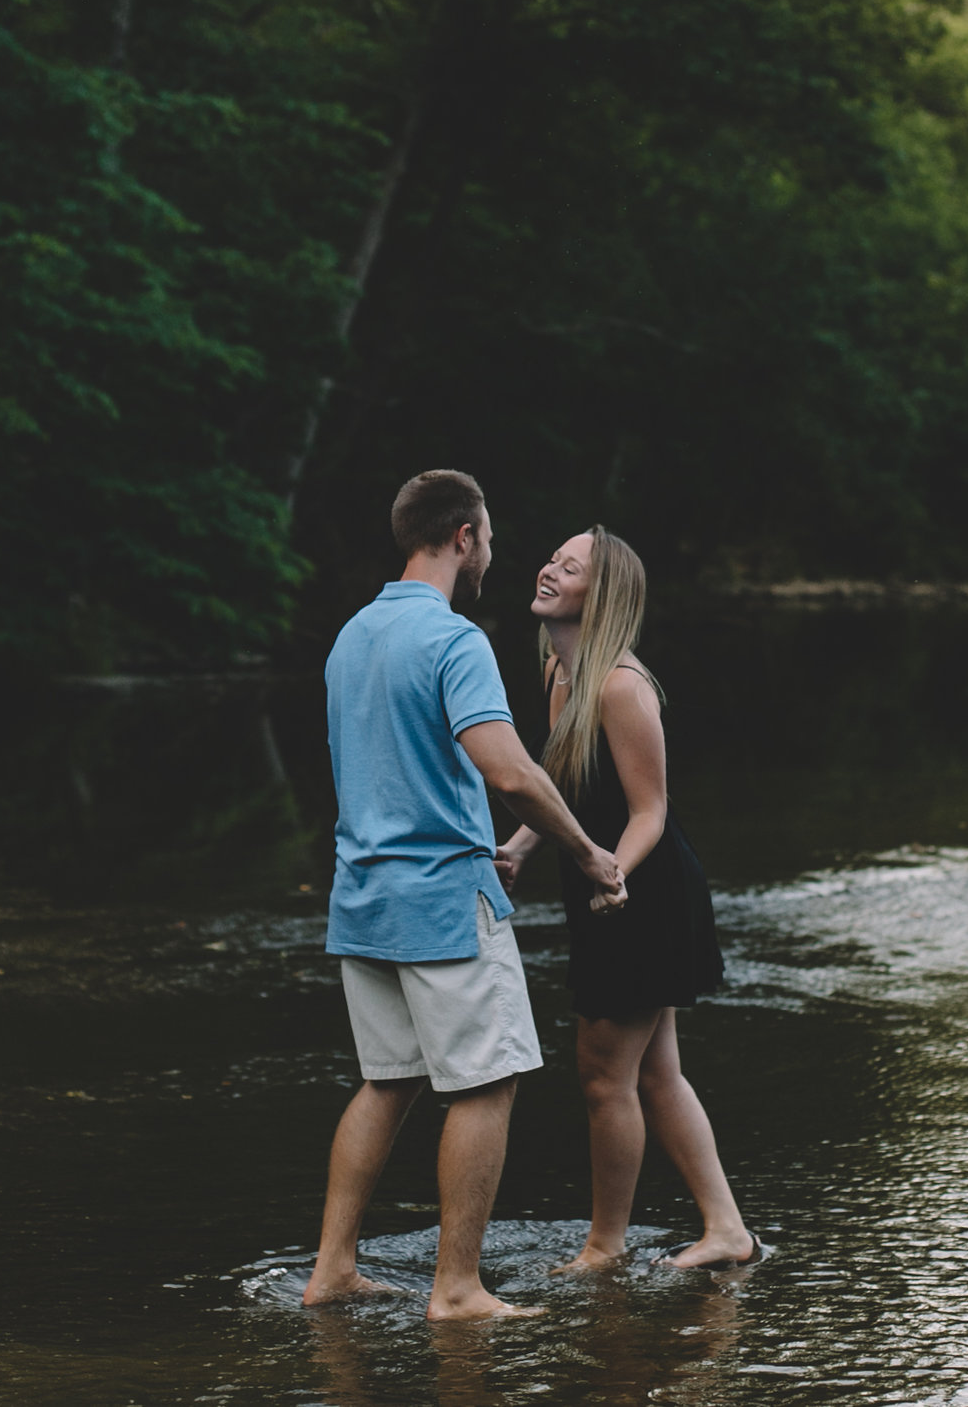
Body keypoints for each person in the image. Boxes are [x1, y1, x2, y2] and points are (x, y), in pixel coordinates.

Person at [300, 470, 630, 1321]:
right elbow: (509, 768)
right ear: (463, 536)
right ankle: (458, 1288)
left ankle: (332, 1269)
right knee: (486, 1084)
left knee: (387, 1081)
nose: (491, 549)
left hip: (361, 898)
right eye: (486, 534)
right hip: (443, 899)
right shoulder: (453, 640)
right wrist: (588, 851)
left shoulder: (350, 636)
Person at [495, 526, 756, 1273]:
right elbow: (563, 787)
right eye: (552, 557)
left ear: (598, 595)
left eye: (568, 566)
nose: (548, 568)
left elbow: (651, 811)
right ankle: (726, 1229)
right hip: (604, 885)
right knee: (653, 1071)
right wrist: (519, 845)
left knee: (605, 1075)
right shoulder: (558, 672)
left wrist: (614, 876)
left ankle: (603, 1247)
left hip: (643, 892)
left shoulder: (620, 685)